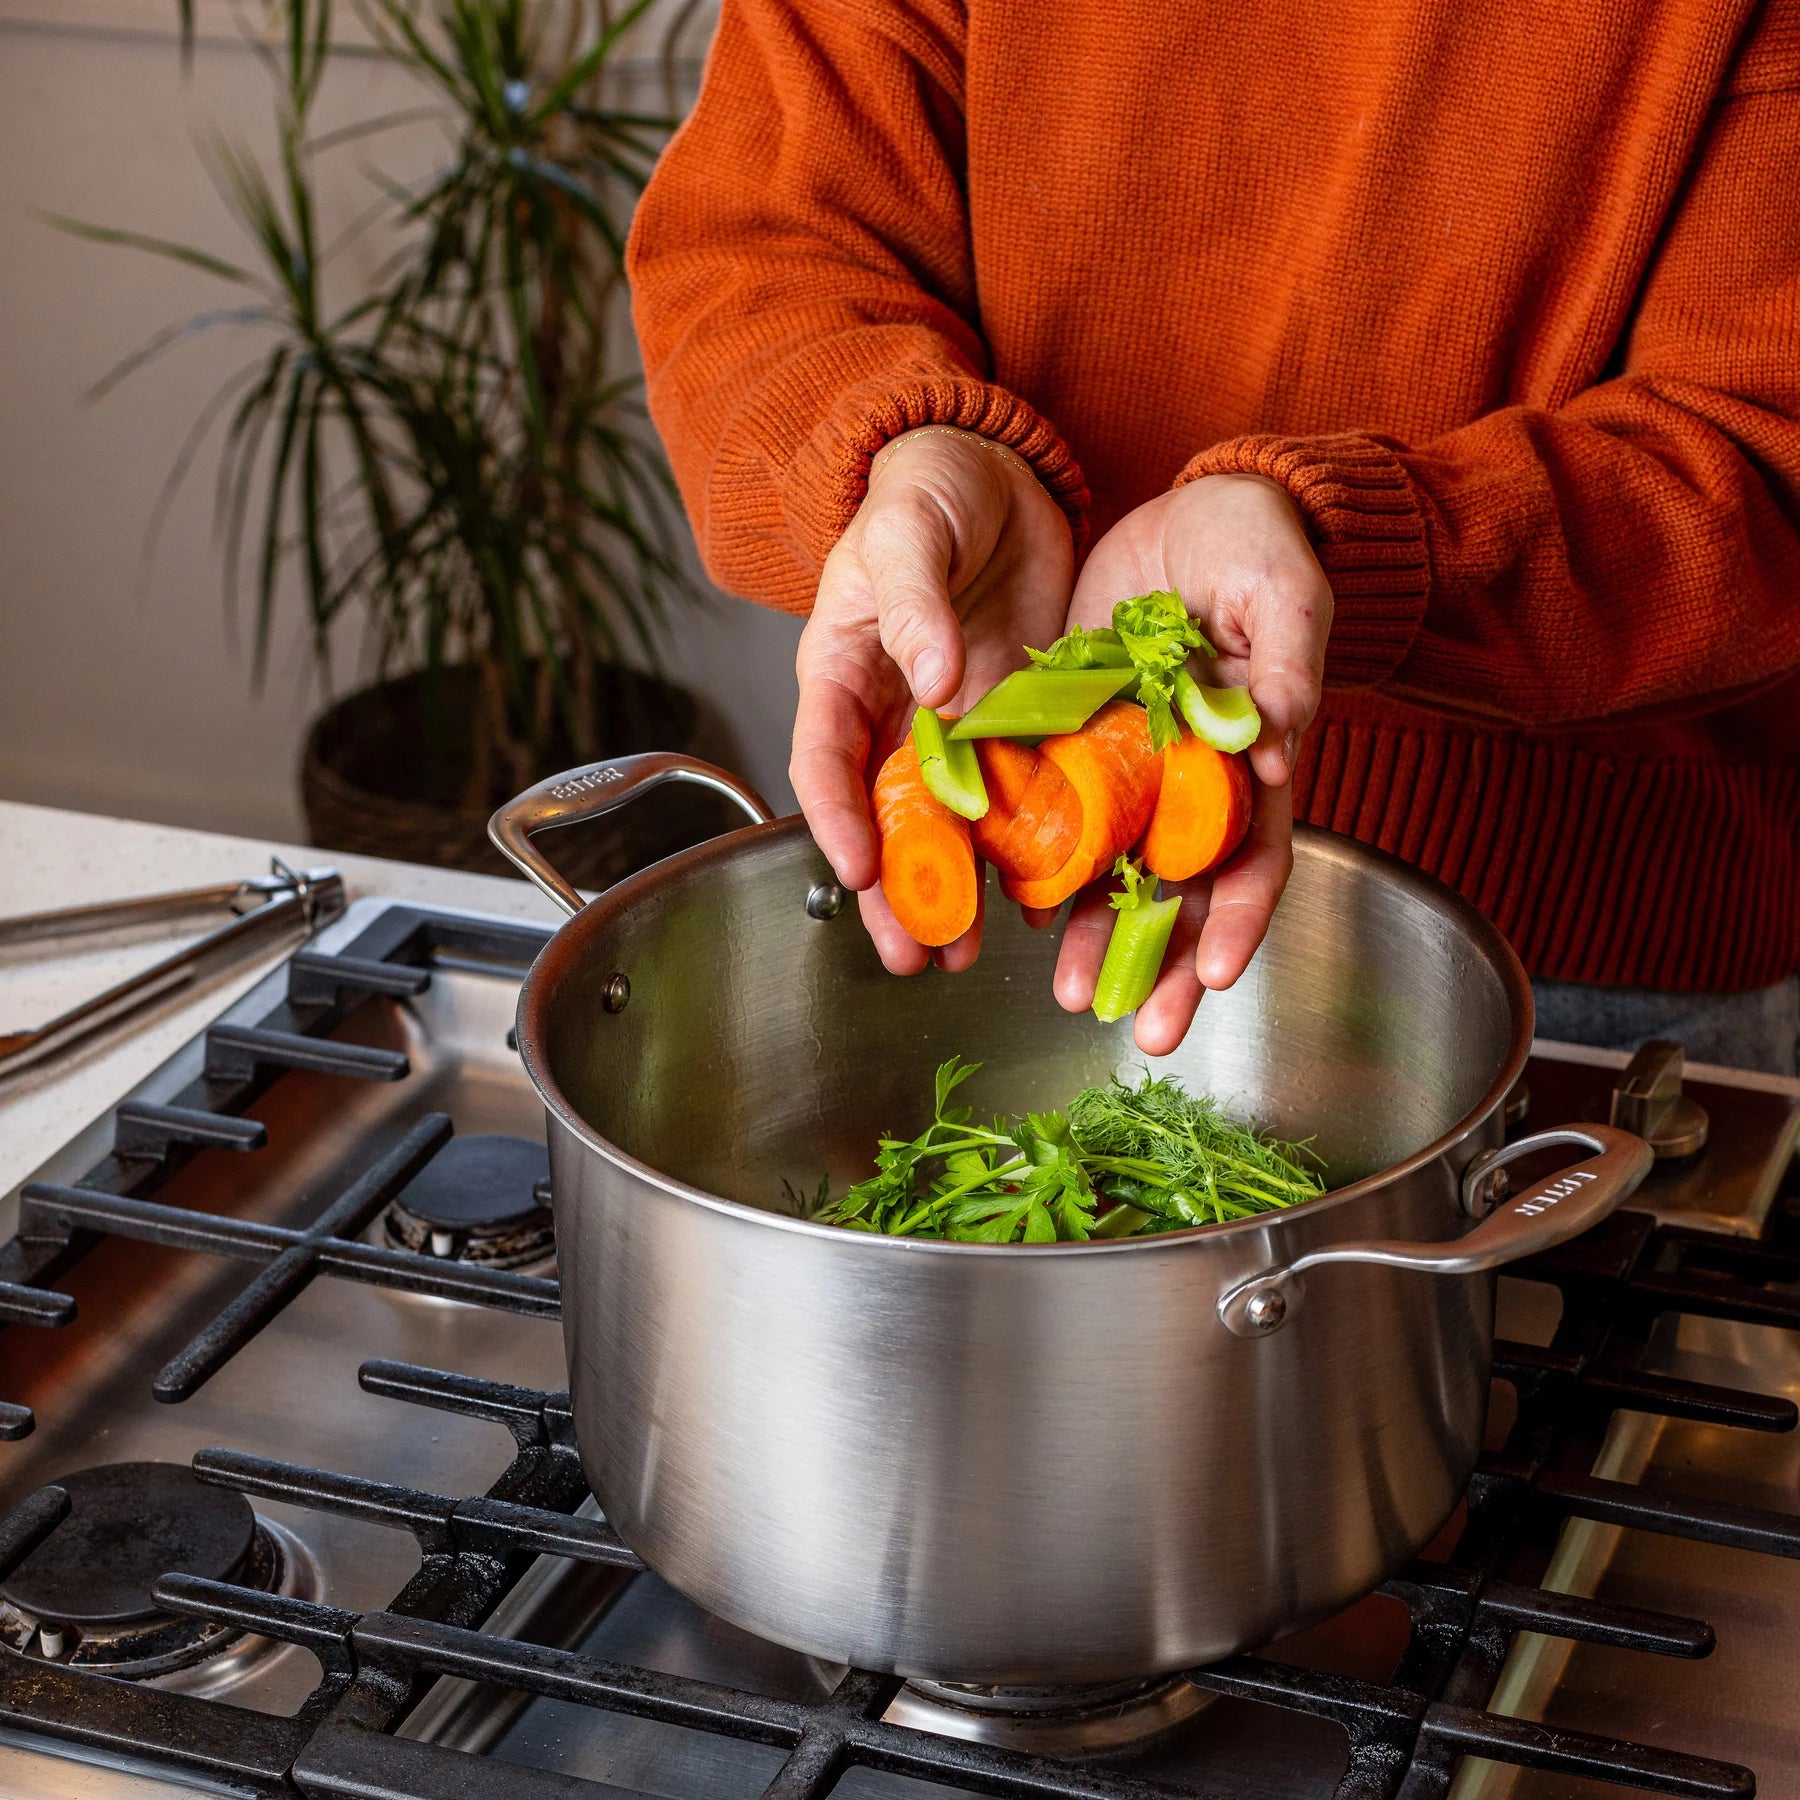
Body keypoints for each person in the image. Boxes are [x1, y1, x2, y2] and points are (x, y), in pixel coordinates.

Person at [626, 0, 1800, 1075]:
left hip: (1592, 954)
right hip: (1013, 861)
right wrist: (905, 444)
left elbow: (1763, 450)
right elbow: (757, 247)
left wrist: (1348, 546)